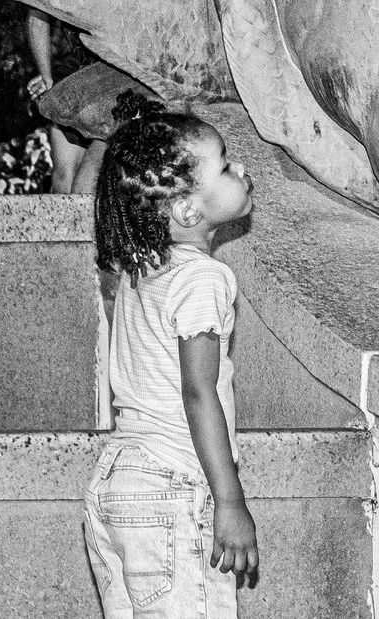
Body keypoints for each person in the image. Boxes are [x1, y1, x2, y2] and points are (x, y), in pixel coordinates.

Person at [87, 106, 260, 617]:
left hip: (118, 480)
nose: (242, 171)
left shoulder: (143, 274)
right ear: (187, 211)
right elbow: (198, 392)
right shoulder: (202, 278)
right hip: (171, 486)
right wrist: (229, 501)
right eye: (226, 166)